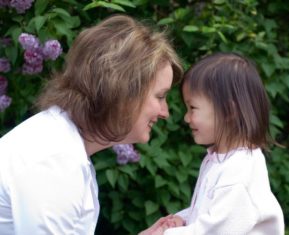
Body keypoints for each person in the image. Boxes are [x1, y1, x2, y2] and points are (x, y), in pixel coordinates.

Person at [0, 14, 183, 235]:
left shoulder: (63, 146)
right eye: (160, 96)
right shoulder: (54, 161)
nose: (165, 112)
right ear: (124, 91)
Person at [149, 52, 285, 234]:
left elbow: (215, 230)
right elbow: (209, 212)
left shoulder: (238, 174)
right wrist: (183, 218)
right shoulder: (221, 159)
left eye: (193, 108)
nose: (186, 117)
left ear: (228, 111)